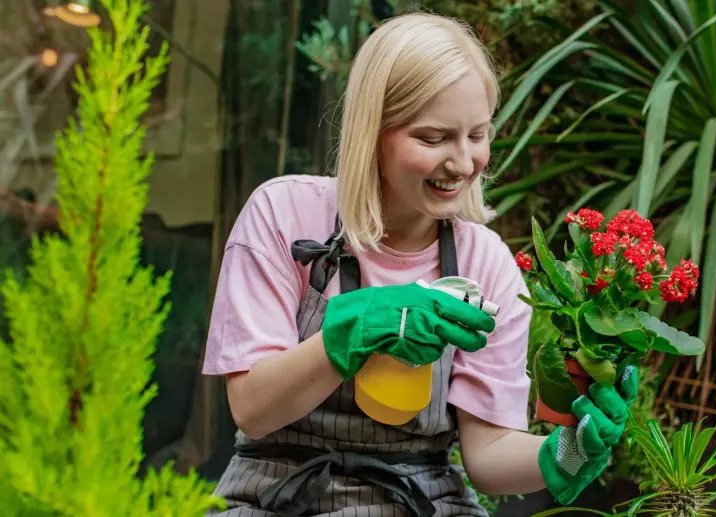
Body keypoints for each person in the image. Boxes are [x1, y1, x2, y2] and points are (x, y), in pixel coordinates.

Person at [201, 11, 638, 517]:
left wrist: (566, 451)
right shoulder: (283, 215)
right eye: (433, 139)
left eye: (477, 134)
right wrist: (350, 334)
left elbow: (487, 453)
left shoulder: (486, 263)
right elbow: (253, 410)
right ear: (374, 133)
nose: (462, 162)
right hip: (276, 495)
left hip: (420, 502)